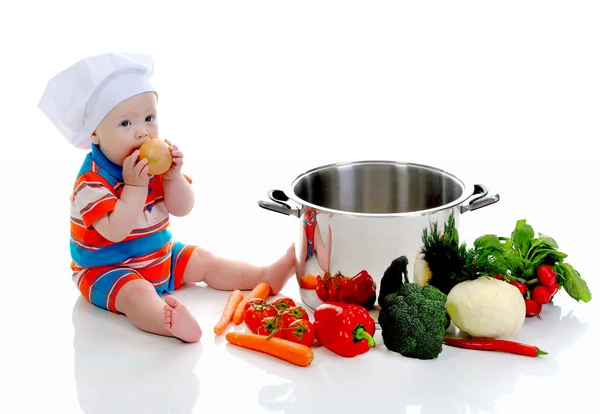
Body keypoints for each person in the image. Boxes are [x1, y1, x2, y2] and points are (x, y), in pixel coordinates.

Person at [38, 52, 295, 343]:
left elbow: (183, 208)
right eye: (125, 124)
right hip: (107, 271)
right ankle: (168, 321)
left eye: (149, 118)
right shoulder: (92, 181)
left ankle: (265, 276)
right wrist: (135, 187)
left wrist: (173, 177)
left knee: (205, 260)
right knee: (137, 294)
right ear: (95, 133)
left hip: (161, 257)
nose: (142, 132)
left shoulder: (153, 165)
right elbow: (114, 231)